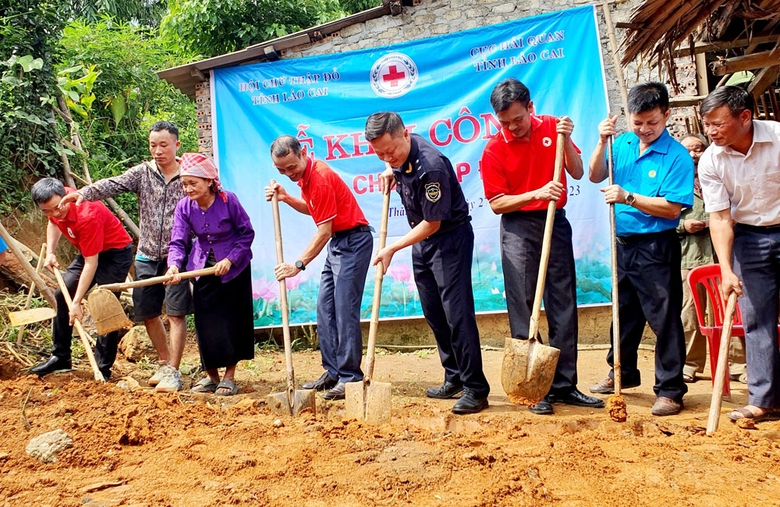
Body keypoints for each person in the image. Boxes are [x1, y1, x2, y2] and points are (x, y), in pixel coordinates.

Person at [480, 78, 604, 415]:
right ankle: (536, 388)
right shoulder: (493, 149)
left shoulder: (553, 127)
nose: (512, 127)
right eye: (504, 122)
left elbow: (577, 173)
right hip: (518, 229)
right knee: (524, 304)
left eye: (517, 119)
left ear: (530, 108)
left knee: (563, 303)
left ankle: (565, 385)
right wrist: (535, 194)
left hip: (555, 223)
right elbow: (497, 203)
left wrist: (565, 142)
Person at [365, 111, 491, 414]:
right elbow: (393, 160)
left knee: (457, 315)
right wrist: (389, 168)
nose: (387, 157)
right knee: (434, 313)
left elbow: (432, 223)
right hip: (421, 241)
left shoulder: (430, 166)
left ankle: (476, 388)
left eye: (390, 150)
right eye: (379, 153)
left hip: (448, 239)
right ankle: (454, 377)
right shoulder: (398, 156)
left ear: (405, 134)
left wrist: (392, 247)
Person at [58, 121, 193, 392]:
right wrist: (82, 193)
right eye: (153, 145)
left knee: (177, 314)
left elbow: (210, 194)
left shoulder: (189, 174)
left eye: (164, 145)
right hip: (145, 255)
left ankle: (175, 373)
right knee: (149, 313)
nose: (157, 151)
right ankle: (165, 363)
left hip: (177, 256)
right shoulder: (143, 173)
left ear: (177, 145)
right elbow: (113, 184)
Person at [588, 82, 692, 416]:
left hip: (656, 247)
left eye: (652, 122)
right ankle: (621, 372)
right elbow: (594, 175)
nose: (645, 130)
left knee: (663, 318)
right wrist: (602, 140)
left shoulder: (676, 156)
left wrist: (629, 197)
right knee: (623, 313)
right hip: (623, 243)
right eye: (638, 122)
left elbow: (673, 209)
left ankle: (671, 389)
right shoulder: (622, 143)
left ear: (666, 115)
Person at [265, 136, 372, 401]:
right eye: (281, 170)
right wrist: (286, 197)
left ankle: (350, 378)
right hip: (338, 243)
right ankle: (333, 371)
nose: (289, 173)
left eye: (292, 167)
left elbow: (323, 231)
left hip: (354, 242)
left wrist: (298, 265)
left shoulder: (320, 176)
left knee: (345, 310)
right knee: (325, 309)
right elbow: (316, 211)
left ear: (302, 153)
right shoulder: (306, 177)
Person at [698, 86, 780, 422]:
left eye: (717, 124)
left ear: (745, 117)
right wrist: (726, 269)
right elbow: (718, 217)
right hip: (748, 239)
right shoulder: (711, 160)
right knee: (756, 319)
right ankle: (764, 400)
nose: (711, 132)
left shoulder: (778, 139)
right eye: (706, 125)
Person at [165, 153, 255, 396]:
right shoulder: (184, 207)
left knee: (231, 322)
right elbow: (178, 241)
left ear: (208, 181)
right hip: (202, 267)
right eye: (184, 184)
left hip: (234, 269)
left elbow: (247, 234)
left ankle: (229, 376)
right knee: (206, 323)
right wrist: (174, 265)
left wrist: (230, 259)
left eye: (193, 183)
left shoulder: (228, 201)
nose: (188, 188)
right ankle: (211, 377)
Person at [29, 178, 134, 380]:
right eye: (47, 210)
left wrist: (77, 303)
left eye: (57, 208)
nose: (54, 213)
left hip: (115, 254)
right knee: (62, 294)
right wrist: (50, 252)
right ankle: (60, 357)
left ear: (65, 197)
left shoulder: (87, 214)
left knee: (104, 304)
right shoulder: (54, 205)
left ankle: (102, 368)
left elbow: (91, 264)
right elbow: (53, 222)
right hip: (90, 252)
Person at [678, 133, 746, 384]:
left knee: (731, 308)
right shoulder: (676, 182)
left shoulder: (720, 177)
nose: (693, 155)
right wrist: (684, 225)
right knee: (690, 314)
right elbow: (664, 218)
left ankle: (738, 365)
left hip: (724, 257)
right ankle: (690, 365)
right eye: (688, 151)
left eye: (698, 149)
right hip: (690, 258)